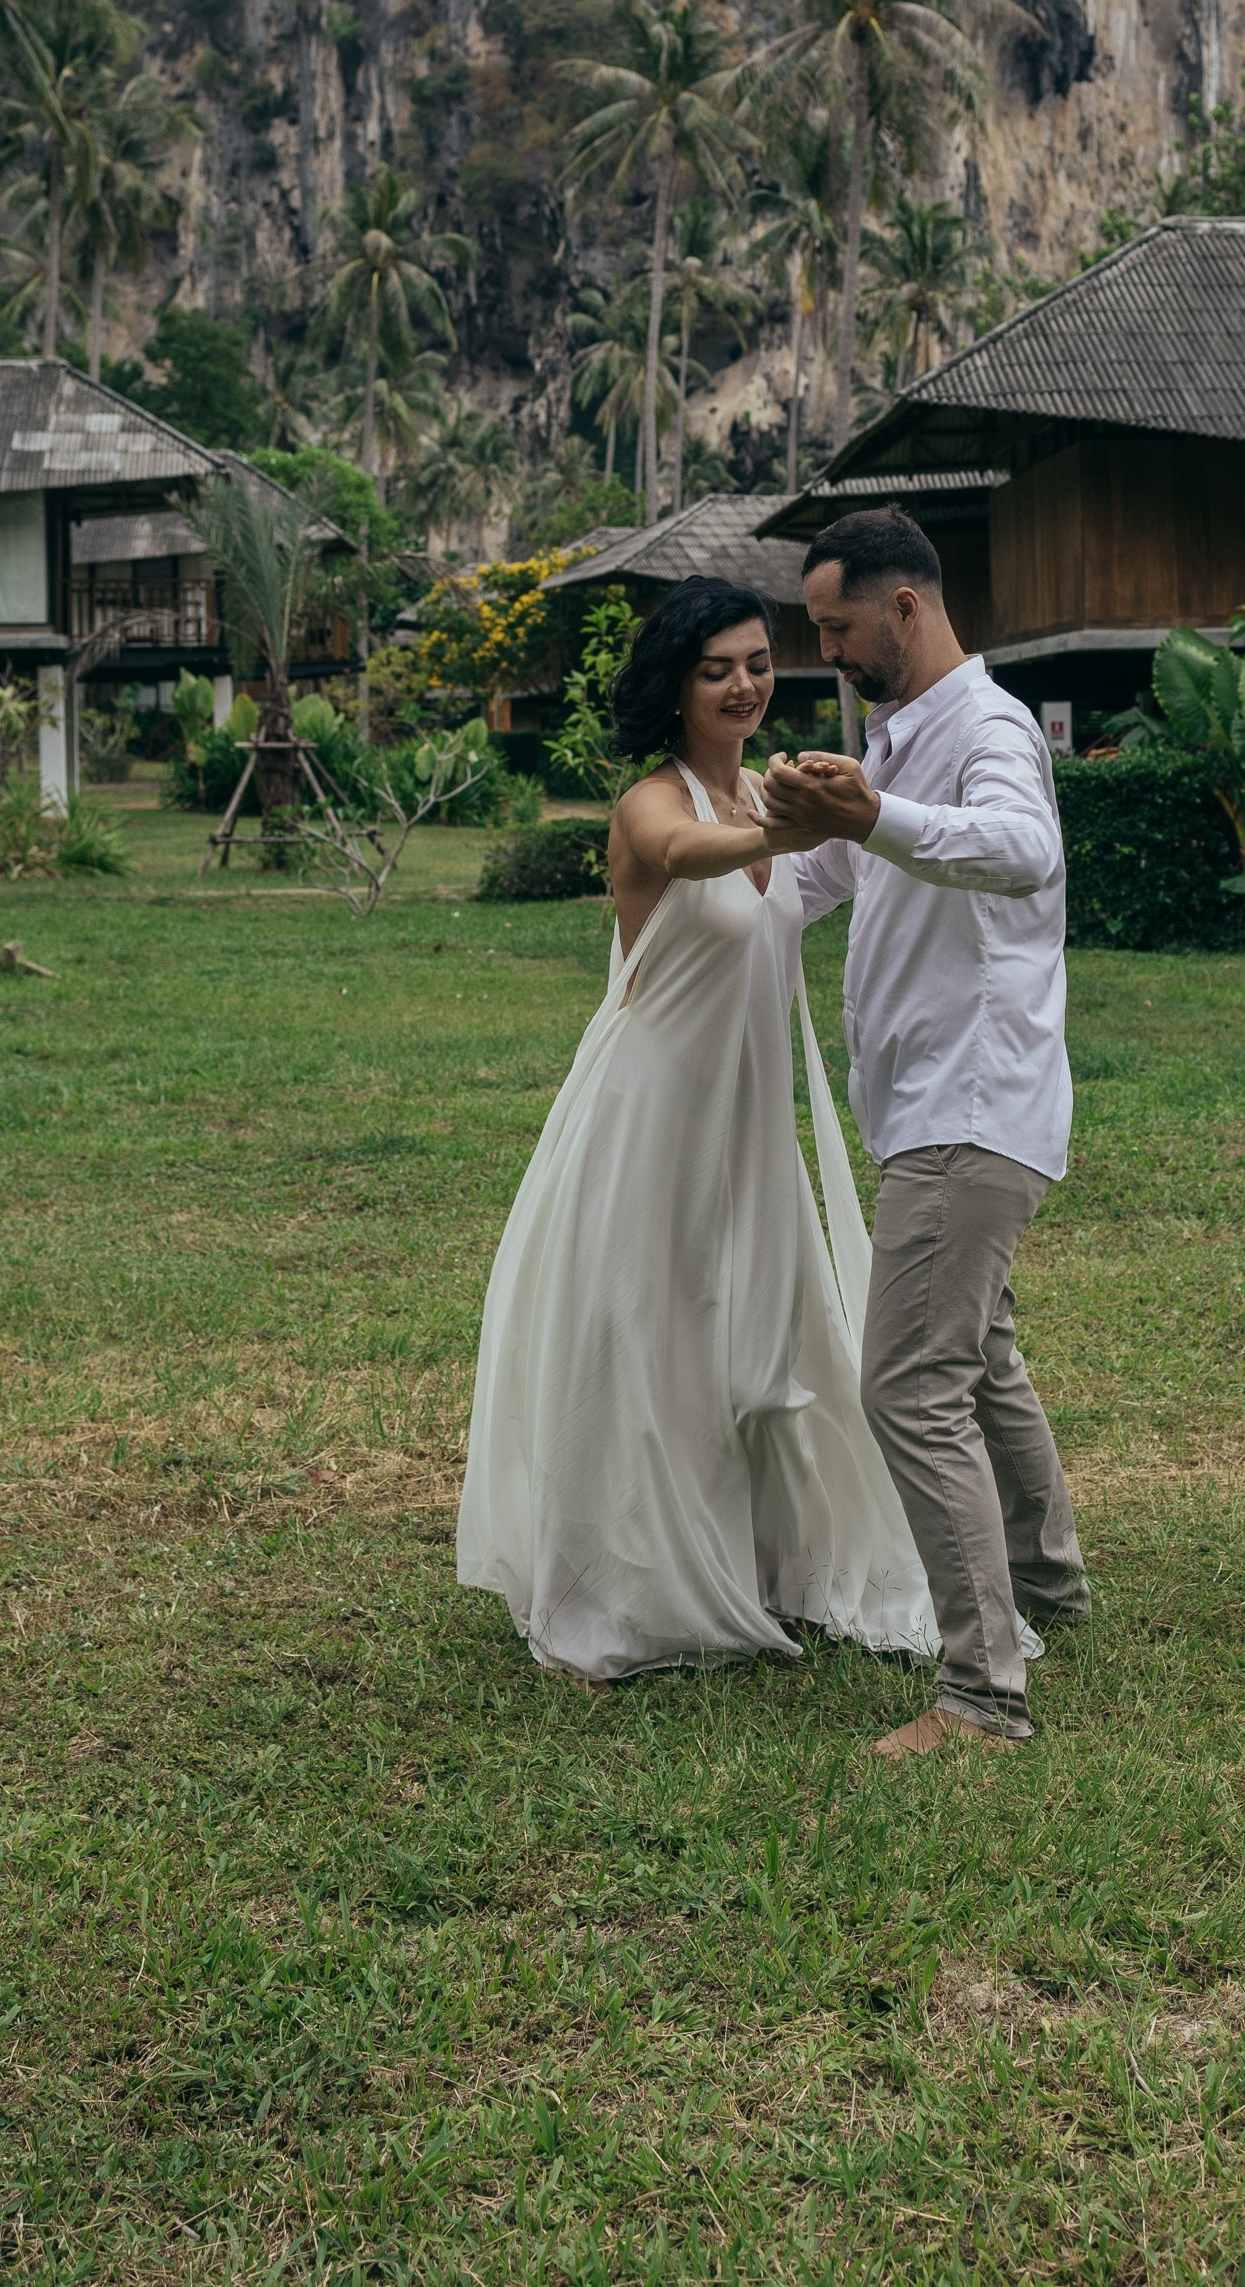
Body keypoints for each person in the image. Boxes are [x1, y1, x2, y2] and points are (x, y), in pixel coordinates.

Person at [455, 576, 937, 1685]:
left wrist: (833, 810)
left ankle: (757, 1559)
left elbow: (848, 869)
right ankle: (614, 1586)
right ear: (676, 686)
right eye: (716, 668)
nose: (743, 685)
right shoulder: (649, 804)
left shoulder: (775, 798)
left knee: (757, 1334)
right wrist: (786, 819)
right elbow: (677, 855)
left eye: (758, 663)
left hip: (746, 1121)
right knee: (648, 1335)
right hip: (650, 1115)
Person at [761, 508, 1087, 1757]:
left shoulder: (988, 727)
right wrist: (731, 856)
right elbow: (827, 877)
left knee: (905, 1384)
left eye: (836, 628)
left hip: (968, 1104)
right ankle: (1048, 1586)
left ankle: (981, 1695)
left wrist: (872, 815)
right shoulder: (899, 737)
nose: (825, 652)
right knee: (978, 1360)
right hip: (931, 1106)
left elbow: (1020, 850)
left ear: (903, 608)